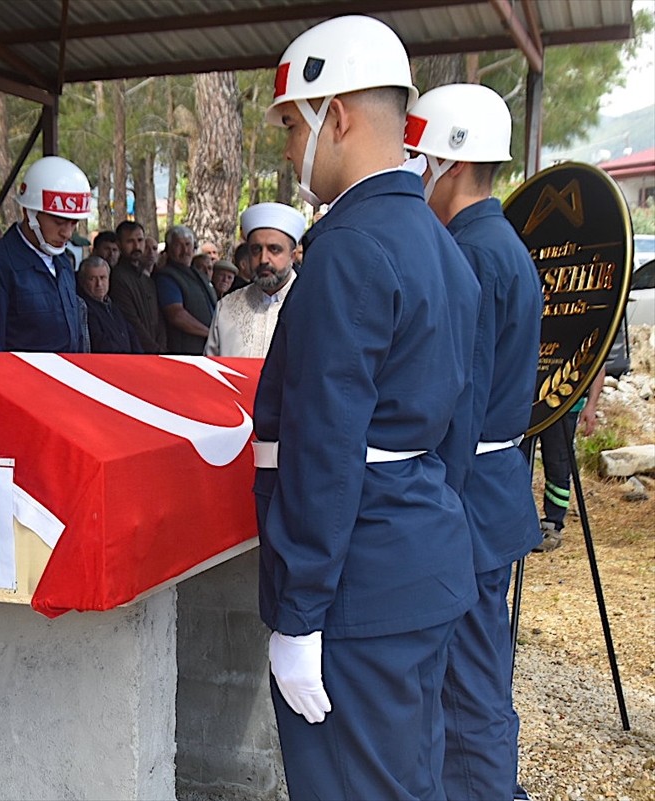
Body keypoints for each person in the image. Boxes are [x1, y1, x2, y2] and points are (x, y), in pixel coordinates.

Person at [254, 16, 480, 800]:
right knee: (408, 777)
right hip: (418, 556)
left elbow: (322, 444)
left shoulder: (350, 249)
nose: (290, 150)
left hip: (357, 584)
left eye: (293, 126)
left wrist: (300, 612)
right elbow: (457, 430)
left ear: (338, 117)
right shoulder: (441, 246)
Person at [407, 82, 545, 800]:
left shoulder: (471, 254)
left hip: (468, 502)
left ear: (451, 164)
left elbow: (459, 404)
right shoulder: (499, 245)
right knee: (477, 676)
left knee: (467, 690)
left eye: (420, 160)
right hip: (492, 493)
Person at [0, 155, 90, 353]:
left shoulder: (63, 262)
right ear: (29, 213)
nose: (67, 233)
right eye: (59, 222)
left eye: (73, 223)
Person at [204, 203, 305, 359]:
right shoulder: (227, 307)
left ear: (292, 256)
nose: (263, 259)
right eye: (256, 250)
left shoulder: (314, 306)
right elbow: (210, 369)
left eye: (274, 249)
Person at [534, 368, 606, 552]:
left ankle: (553, 527)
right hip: (528, 403)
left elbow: (598, 364)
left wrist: (591, 405)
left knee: (558, 465)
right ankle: (519, 525)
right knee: (518, 465)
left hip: (566, 406)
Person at [107, 220, 165, 354]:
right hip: (137, 353)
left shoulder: (147, 279)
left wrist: (161, 347)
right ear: (119, 244)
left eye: (140, 240)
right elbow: (131, 321)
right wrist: (155, 350)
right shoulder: (117, 278)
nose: (137, 246)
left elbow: (159, 319)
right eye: (130, 241)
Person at [155, 224, 214, 354]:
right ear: (169, 248)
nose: (185, 250)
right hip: (186, 351)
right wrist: (209, 333)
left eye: (188, 244)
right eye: (178, 245)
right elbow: (176, 315)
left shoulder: (196, 273)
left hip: (206, 350)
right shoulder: (167, 277)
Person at [76, 255, 142, 353]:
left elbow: (132, 336)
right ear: (82, 281)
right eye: (92, 279)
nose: (99, 284)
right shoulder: (83, 309)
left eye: (103, 278)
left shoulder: (114, 307)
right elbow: (100, 343)